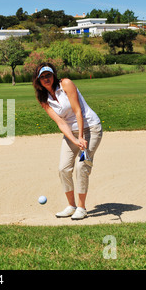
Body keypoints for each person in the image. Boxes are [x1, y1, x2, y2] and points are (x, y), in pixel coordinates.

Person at [32, 63, 103, 220]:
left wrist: (81, 138)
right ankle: (72, 206)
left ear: (54, 75)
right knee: (63, 168)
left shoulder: (66, 84)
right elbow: (61, 122)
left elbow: (78, 110)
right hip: (71, 132)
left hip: (90, 128)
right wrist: (74, 139)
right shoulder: (43, 97)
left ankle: (82, 208)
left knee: (82, 166)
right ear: (38, 80)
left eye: (48, 75)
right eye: (42, 77)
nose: (46, 79)